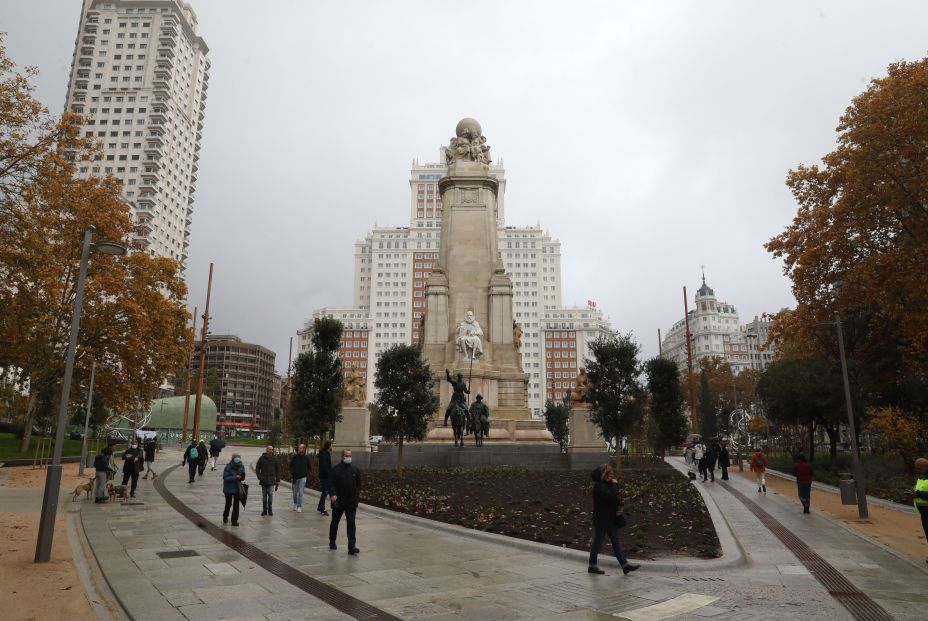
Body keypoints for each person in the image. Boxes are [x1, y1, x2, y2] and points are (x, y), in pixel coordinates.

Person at [587, 463, 639, 575]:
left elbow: (614, 499)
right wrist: (615, 486)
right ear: (604, 474)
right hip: (602, 519)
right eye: (609, 473)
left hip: (610, 519)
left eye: (612, 473)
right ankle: (592, 565)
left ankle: (625, 565)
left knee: (616, 542)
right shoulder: (599, 486)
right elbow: (611, 497)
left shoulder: (607, 484)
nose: (612, 475)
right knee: (597, 543)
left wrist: (620, 501)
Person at [329, 449, 361, 555]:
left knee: (351, 524)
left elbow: (358, 485)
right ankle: (332, 541)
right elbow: (331, 484)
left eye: (350, 456)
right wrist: (333, 494)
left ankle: (351, 547)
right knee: (335, 522)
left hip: (351, 502)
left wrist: (356, 497)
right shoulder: (335, 470)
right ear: (342, 456)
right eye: (347, 456)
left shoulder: (355, 470)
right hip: (338, 502)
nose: (349, 457)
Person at [255, 445, 280, 516]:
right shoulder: (262, 458)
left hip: (272, 480)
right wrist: (259, 477)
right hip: (263, 480)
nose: (271, 451)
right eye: (269, 449)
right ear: (266, 450)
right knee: (264, 496)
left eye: (272, 449)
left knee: (271, 495)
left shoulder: (275, 459)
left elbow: (278, 470)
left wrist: (277, 479)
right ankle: (264, 510)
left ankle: (270, 510)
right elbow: (257, 468)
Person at [222, 454, 246, 526]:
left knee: (236, 505)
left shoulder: (242, 466)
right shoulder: (228, 466)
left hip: (237, 488)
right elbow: (225, 478)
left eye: (238, 458)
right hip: (228, 488)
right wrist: (235, 477)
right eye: (236, 458)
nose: (237, 459)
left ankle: (234, 520)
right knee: (228, 504)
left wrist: (242, 477)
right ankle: (225, 516)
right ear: (233, 459)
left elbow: (242, 476)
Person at [911, 458, 928, 558]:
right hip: (924, 512)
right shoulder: (922, 478)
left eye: (919, 468)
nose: (917, 470)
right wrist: (914, 492)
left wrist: (917, 493)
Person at [290, 443, 310, 512]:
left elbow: (309, 467)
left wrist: (306, 474)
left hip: (303, 478)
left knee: (300, 493)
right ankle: (295, 504)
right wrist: (293, 473)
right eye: (299, 448)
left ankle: (299, 506)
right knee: (295, 493)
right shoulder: (295, 457)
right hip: (295, 478)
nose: (300, 449)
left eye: (301, 448)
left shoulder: (307, 457)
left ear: (304, 449)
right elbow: (291, 466)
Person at [317, 440, 332, 516]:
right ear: (329, 446)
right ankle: (322, 509)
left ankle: (320, 507)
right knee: (325, 492)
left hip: (324, 475)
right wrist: (329, 474)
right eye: (331, 446)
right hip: (325, 476)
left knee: (324, 492)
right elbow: (324, 466)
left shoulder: (325, 453)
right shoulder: (324, 454)